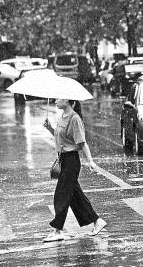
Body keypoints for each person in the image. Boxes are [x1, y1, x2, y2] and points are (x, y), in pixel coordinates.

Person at [43, 99, 106, 242]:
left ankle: (57, 230)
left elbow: (82, 143)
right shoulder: (61, 117)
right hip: (63, 159)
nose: (56, 101)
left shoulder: (75, 118)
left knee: (61, 195)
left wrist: (90, 161)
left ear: (68, 101)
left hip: (71, 161)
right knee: (75, 196)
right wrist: (50, 128)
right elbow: (61, 139)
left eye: (59, 99)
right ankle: (97, 221)